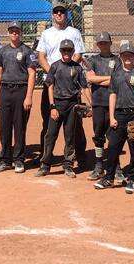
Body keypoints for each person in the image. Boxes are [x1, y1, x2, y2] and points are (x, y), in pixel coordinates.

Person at [93, 41, 134, 194]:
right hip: (119, 114)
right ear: (120, 56)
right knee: (113, 148)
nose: (128, 58)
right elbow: (112, 95)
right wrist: (111, 116)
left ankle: (132, 179)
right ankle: (109, 177)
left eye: (130, 55)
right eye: (125, 55)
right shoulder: (116, 75)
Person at [36, 4, 86, 164]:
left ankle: (78, 156)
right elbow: (41, 56)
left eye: (62, 12)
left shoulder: (74, 32)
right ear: (52, 15)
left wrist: (65, 71)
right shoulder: (46, 33)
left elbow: (78, 54)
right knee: (49, 120)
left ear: (66, 15)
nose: (59, 14)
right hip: (51, 83)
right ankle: (45, 157)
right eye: (56, 12)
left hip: (71, 84)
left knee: (75, 123)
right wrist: (55, 72)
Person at [35, 39, 90, 178]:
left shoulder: (77, 67)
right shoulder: (55, 66)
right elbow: (50, 86)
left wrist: (91, 104)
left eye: (69, 50)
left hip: (72, 105)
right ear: (60, 52)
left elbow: (84, 87)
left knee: (70, 135)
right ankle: (45, 164)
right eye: (64, 50)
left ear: (73, 52)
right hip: (58, 105)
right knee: (50, 135)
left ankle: (68, 164)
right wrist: (52, 106)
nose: (66, 53)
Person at [0, 21, 37, 174]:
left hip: (21, 90)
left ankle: (19, 160)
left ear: (21, 33)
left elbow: (32, 73)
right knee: (4, 127)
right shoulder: (2, 51)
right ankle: (5, 159)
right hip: (5, 91)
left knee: (19, 127)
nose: (14, 33)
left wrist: (29, 96)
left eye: (17, 31)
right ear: (8, 33)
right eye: (12, 31)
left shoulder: (27, 51)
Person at [85, 32, 122, 180]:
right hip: (98, 102)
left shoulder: (117, 60)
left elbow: (118, 80)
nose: (103, 45)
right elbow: (90, 78)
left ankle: (116, 166)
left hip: (115, 104)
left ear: (110, 43)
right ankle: (99, 165)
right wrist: (110, 78)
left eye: (105, 42)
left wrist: (99, 80)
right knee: (99, 135)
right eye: (100, 43)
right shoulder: (93, 60)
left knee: (114, 136)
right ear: (97, 45)